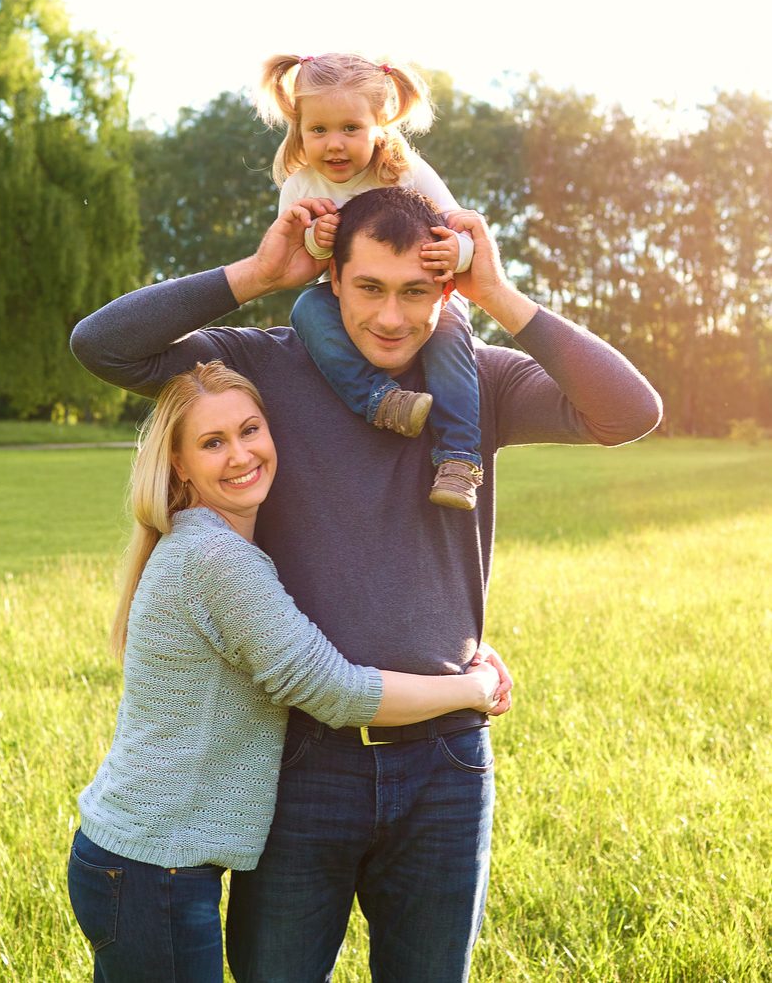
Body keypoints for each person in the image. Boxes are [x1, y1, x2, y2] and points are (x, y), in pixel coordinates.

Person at [70, 185, 662, 982]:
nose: (391, 317)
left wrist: (499, 293)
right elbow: (103, 345)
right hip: (303, 761)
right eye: (369, 288)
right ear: (332, 280)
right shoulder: (263, 366)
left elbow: (628, 411)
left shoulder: (476, 384)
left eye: (416, 290)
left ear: (445, 286)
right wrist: (254, 272)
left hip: (446, 768)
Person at [66, 358, 506, 983]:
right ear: (178, 465)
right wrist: (472, 686)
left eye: (250, 430)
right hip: (149, 869)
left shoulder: (224, 546)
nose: (240, 454)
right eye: (212, 442)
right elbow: (335, 690)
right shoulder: (214, 558)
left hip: (141, 862)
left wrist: (449, 644)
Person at [258, 52, 484, 510]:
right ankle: (381, 401)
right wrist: (317, 241)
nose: (334, 144)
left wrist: (454, 252)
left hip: (424, 293)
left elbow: (463, 232)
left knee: (450, 331)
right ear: (299, 130)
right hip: (348, 295)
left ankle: (459, 456)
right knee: (307, 310)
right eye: (318, 130)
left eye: (350, 129)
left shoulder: (407, 172)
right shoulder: (300, 188)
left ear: (379, 126)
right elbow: (300, 257)